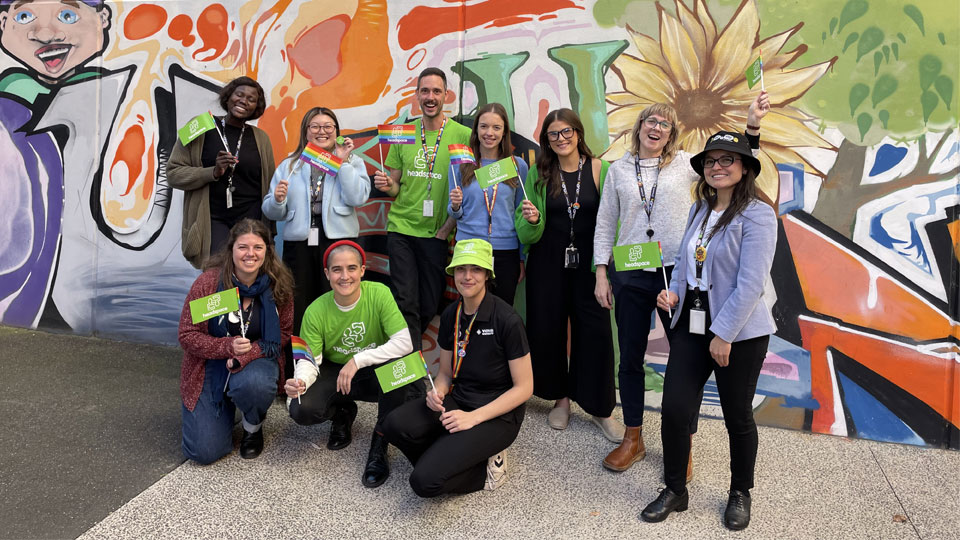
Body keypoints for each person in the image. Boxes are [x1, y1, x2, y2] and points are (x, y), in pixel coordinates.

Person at [593, 93, 769, 472]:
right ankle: (633, 437)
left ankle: (681, 443)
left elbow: (733, 165)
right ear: (638, 127)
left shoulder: (686, 165)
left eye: (665, 124)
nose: (656, 128)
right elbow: (606, 222)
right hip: (629, 271)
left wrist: (751, 128)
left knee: (685, 361)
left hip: (677, 276)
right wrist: (601, 272)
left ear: (671, 133)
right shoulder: (619, 170)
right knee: (630, 357)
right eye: (651, 121)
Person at [639, 131, 778, 530]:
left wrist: (724, 334)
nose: (717, 167)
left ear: (745, 167)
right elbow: (686, 264)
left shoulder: (757, 214)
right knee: (675, 409)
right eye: (711, 161)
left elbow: (751, 284)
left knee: (737, 415)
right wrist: (674, 294)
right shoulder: (698, 210)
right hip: (692, 325)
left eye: (726, 160)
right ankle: (675, 489)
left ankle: (740, 492)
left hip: (739, 334)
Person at [382, 239, 533, 496]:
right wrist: (438, 392)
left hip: (497, 415)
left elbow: (525, 388)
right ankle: (451, 454)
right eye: (461, 269)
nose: (467, 276)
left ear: (487, 275)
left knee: (424, 482)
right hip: (459, 401)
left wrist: (473, 418)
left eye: (475, 269)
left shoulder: (507, 320)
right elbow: (444, 374)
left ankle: (487, 468)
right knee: (393, 424)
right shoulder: (452, 314)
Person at [514, 108, 622, 442]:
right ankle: (560, 399)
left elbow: (612, 223)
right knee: (548, 332)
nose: (561, 139)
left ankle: (601, 409)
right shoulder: (539, 171)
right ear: (546, 140)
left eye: (566, 132)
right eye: (553, 134)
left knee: (597, 334)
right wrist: (531, 221)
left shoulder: (601, 169)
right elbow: (524, 231)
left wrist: (603, 268)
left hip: (590, 267)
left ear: (578, 133)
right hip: (547, 264)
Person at [284, 240, 413, 488]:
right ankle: (342, 413)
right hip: (337, 372)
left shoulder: (379, 294)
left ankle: (380, 442)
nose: (345, 276)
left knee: (401, 368)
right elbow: (310, 361)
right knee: (301, 409)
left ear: (363, 270)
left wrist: (359, 359)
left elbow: (404, 342)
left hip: (373, 369)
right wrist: (300, 381)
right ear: (327, 274)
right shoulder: (315, 310)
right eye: (337, 270)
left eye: (352, 268)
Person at [177, 219, 294, 463]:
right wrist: (226, 347)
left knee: (255, 384)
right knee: (205, 452)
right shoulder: (210, 284)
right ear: (231, 249)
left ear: (267, 251)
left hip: (258, 360)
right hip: (211, 365)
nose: (250, 254)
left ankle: (252, 426)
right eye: (243, 247)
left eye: (258, 247)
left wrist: (247, 353)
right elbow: (187, 334)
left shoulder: (278, 286)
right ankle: (220, 412)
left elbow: (283, 333)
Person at [372, 67, 471, 351]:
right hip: (401, 229)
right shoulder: (402, 133)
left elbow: (467, 189)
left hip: (436, 234)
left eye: (436, 91)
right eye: (425, 91)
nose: (430, 97)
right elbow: (395, 185)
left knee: (429, 301)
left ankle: (401, 352)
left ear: (445, 96)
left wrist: (446, 229)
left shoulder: (462, 135)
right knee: (407, 300)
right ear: (416, 95)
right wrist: (386, 183)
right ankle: (410, 371)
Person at [261, 106, 370, 347]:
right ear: (306, 131)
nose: (322, 132)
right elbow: (270, 210)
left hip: (339, 241)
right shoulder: (290, 164)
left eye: (328, 127)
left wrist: (341, 163)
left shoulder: (353, 161)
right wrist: (278, 200)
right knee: (298, 300)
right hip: (299, 243)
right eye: (315, 127)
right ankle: (300, 358)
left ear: (337, 131)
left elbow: (358, 198)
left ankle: (336, 353)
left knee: (337, 298)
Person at [168, 76, 276, 268]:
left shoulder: (262, 138)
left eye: (251, 99)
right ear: (228, 97)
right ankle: (213, 300)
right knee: (216, 275)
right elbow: (173, 173)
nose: (244, 101)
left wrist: (269, 229)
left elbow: (268, 185)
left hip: (251, 218)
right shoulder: (199, 124)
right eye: (239, 95)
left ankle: (246, 301)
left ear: (256, 107)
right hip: (211, 218)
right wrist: (213, 172)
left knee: (248, 274)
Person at [447, 103, 529, 305]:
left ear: (504, 132)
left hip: (505, 252)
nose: (489, 133)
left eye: (496, 127)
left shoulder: (517, 165)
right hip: (469, 249)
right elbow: (455, 213)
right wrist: (455, 206)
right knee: (470, 311)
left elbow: (519, 215)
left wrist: (520, 258)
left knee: (502, 313)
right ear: (476, 130)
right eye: (483, 126)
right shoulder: (460, 164)